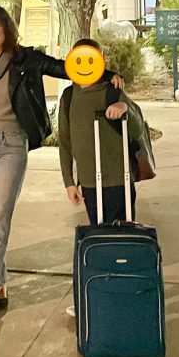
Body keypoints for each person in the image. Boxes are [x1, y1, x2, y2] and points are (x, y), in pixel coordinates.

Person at [0, 7, 121, 326]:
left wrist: (104, 72)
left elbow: (66, 68)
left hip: (12, 145)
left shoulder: (27, 58)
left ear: (6, 26)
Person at [58, 38, 145, 226]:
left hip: (118, 176)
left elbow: (137, 129)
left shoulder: (112, 91)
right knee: (99, 232)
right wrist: (69, 181)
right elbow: (65, 142)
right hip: (89, 179)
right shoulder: (68, 97)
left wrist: (124, 107)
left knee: (122, 231)